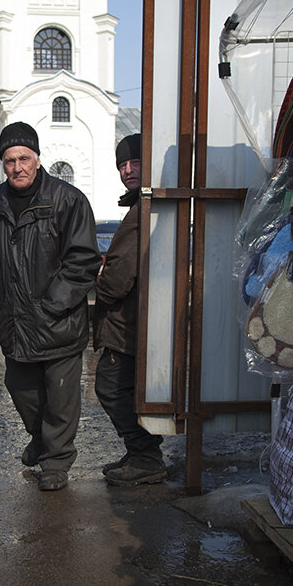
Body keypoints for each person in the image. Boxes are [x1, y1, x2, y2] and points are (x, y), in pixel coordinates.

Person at [0, 121, 100, 492]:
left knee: (60, 397)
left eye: (24, 158)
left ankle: (55, 461)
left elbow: (83, 261)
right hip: (15, 322)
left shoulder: (67, 200)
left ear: (38, 160)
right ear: (3, 163)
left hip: (58, 321)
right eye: (10, 160)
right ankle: (41, 440)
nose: (17, 167)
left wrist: (50, 306)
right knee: (22, 389)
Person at [93, 134, 166, 486]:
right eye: (122, 165)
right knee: (126, 388)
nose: (127, 170)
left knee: (110, 386)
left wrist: (100, 285)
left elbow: (119, 277)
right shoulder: (142, 206)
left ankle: (145, 455)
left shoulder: (142, 211)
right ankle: (141, 451)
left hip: (127, 322)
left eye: (134, 162)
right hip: (139, 320)